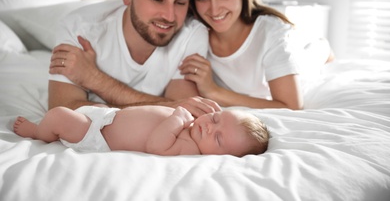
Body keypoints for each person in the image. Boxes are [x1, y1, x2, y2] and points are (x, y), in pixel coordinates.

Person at [48, 0, 220, 116]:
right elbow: (61, 113)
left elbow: (182, 113)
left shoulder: (192, 33)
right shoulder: (79, 28)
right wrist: (165, 105)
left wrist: (94, 79)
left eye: (180, 2)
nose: (170, 16)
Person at [179, 0, 333, 110]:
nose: (214, 10)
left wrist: (214, 91)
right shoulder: (192, 31)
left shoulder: (272, 33)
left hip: (304, 55)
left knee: (317, 51)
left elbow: (292, 106)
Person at [13, 105, 270, 157]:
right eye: (215, 118)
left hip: (97, 135)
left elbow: (156, 145)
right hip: (108, 116)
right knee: (69, 114)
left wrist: (177, 118)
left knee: (59, 115)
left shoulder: (190, 148)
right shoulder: (193, 128)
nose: (208, 126)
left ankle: (38, 132)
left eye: (218, 137)